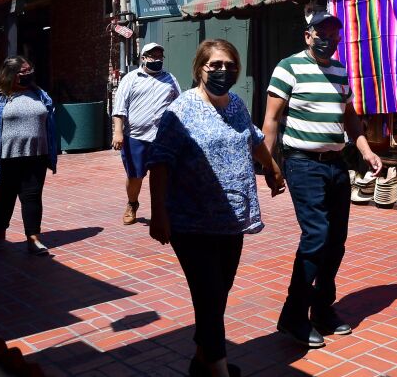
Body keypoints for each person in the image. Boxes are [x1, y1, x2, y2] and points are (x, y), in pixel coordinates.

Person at [149, 39, 284, 377]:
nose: (223, 71)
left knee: (217, 295)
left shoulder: (236, 104)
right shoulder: (180, 111)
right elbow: (160, 162)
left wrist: (271, 167)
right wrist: (159, 214)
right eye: (215, 65)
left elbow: (252, 138)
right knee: (209, 297)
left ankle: (201, 360)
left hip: (231, 221)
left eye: (229, 65)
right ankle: (219, 370)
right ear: (200, 69)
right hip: (191, 223)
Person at [263, 11, 382, 349]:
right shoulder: (289, 67)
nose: (328, 37)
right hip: (303, 164)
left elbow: (349, 117)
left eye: (334, 32)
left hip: (336, 164)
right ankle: (293, 314)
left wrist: (366, 150)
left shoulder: (341, 70)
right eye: (322, 31)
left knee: (336, 240)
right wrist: (270, 165)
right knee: (317, 235)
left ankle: (321, 308)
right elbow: (271, 119)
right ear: (308, 35)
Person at [0, 56, 58, 256]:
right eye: (23, 72)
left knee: (32, 197)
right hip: (5, 157)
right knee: (5, 198)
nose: (27, 75)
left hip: (36, 155)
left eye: (29, 70)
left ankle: (33, 239)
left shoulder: (40, 95)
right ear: (10, 74)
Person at [112, 42, 181, 225]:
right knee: (135, 176)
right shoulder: (131, 78)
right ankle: (132, 203)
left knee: (164, 176)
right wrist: (118, 132)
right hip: (135, 137)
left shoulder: (170, 79)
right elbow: (119, 108)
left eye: (159, 56)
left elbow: (180, 105)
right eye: (152, 56)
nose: (156, 59)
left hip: (162, 138)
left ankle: (163, 210)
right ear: (143, 58)